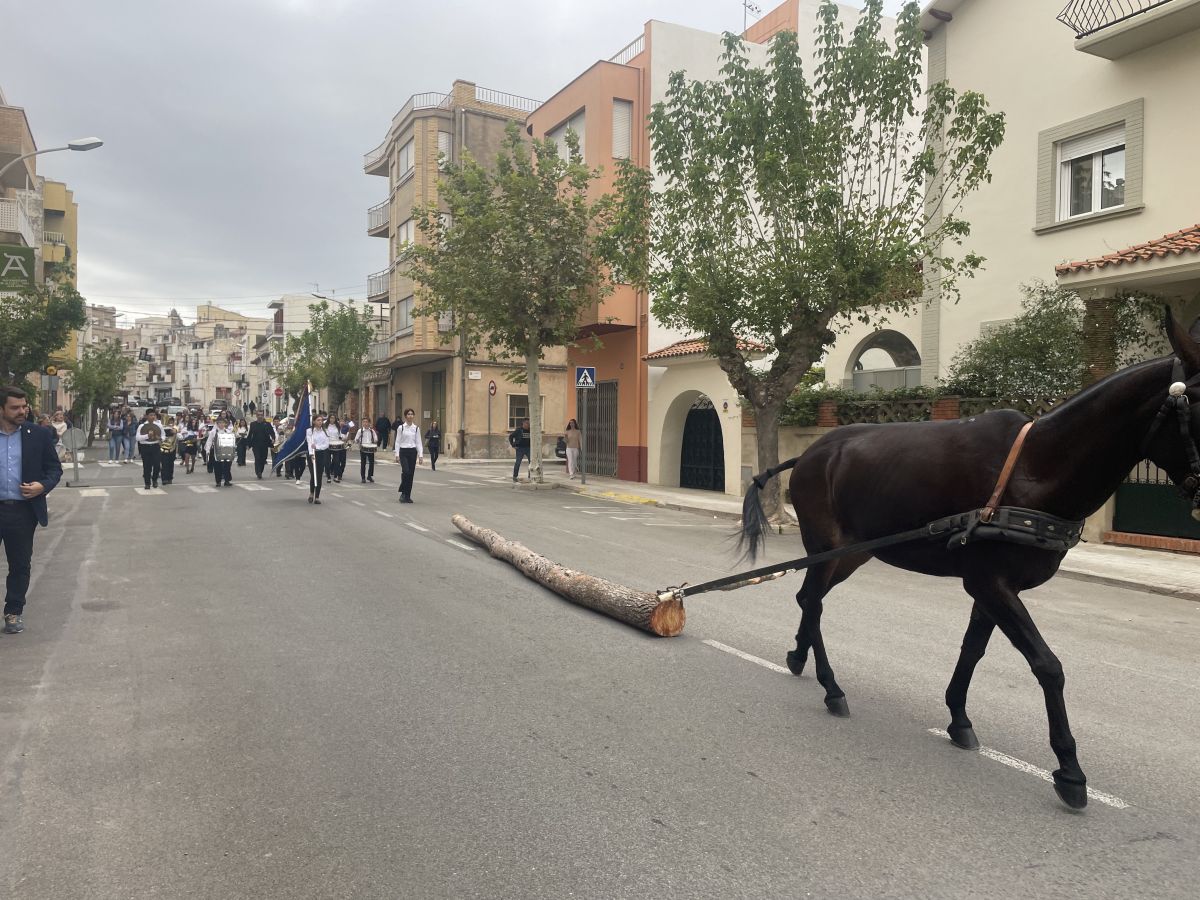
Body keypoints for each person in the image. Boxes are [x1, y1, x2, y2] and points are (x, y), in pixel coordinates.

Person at [0, 386, 63, 635]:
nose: (22, 411)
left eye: (24, 406)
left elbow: (54, 469)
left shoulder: (38, 434)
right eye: (15, 407)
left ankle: (13, 611)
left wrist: (42, 486)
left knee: (19, 565)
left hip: (22, 511)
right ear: (1, 409)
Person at [394, 408, 422, 503]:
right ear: (405, 416)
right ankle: (403, 492)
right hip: (403, 451)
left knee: (411, 474)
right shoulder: (401, 428)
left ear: (413, 416)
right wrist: (397, 454)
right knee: (406, 471)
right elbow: (397, 442)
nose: (410, 416)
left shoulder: (416, 428)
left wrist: (420, 455)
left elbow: (418, 442)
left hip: (412, 452)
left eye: (412, 414)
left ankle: (407, 495)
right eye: (408, 414)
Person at [305, 412, 331, 504]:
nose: (320, 422)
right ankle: (311, 493)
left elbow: (326, 444)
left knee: (319, 475)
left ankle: (317, 497)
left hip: (321, 454)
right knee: (313, 474)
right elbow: (309, 443)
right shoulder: (309, 431)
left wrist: (317, 446)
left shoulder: (325, 431)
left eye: (321, 420)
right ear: (314, 421)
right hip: (312, 454)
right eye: (318, 420)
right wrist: (311, 453)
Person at [136, 408, 165, 489]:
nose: (153, 417)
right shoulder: (141, 426)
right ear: (147, 416)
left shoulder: (159, 425)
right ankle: (147, 483)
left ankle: (154, 479)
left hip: (155, 446)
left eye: (154, 415)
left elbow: (163, 435)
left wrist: (160, 438)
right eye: (151, 415)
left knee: (157, 465)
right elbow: (137, 438)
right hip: (145, 447)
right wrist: (147, 436)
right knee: (147, 466)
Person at [206, 413, 237, 487]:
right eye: (219, 423)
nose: (221, 424)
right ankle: (218, 481)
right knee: (217, 467)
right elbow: (209, 441)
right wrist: (208, 450)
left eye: (222, 423)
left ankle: (227, 481)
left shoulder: (228, 431)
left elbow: (232, 441)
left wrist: (233, 451)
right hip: (216, 452)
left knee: (227, 467)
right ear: (217, 424)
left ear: (225, 424)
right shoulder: (213, 432)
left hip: (227, 452)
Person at [246, 410, 276, 480]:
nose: (260, 416)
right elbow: (250, 435)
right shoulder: (253, 424)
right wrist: (248, 444)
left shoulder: (267, 424)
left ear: (263, 416)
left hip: (264, 445)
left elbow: (272, 433)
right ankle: (258, 472)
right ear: (256, 416)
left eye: (261, 415)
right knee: (257, 458)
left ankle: (260, 471)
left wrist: (273, 438)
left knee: (263, 459)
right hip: (255, 445)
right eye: (258, 415)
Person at [355, 419, 378, 483]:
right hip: (363, 448)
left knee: (371, 463)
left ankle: (369, 476)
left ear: (369, 423)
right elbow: (356, 439)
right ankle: (363, 477)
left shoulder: (372, 431)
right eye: (364, 422)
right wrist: (357, 440)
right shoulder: (360, 431)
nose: (365, 423)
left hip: (370, 448)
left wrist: (375, 440)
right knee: (363, 463)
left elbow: (376, 438)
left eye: (366, 422)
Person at [509, 417, 531, 483]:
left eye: (529, 423)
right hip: (520, 449)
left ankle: (530, 476)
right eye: (527, 423)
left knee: (531, 463)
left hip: (528, 448)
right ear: (523, 423)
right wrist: (513, 445)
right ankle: (515, 476)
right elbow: (511, 436)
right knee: (518, 462)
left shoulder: (531, 430)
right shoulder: (519, 430)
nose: (528, 424)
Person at [327, 415, 347, 483]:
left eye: (333, 418)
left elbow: (340, 435)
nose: (332, 419)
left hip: (336, 445)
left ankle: (335, 477)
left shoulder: (337, 426)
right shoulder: (325, 426)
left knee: (337, 461)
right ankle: (328, 477)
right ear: (329, 418)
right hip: (328, 445)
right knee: (328, 462)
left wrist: (343, 437)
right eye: (331, 418)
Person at [159, 417, 178, 485]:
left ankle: (170, 478)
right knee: (164, 464)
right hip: (163, 448)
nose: (170, 422)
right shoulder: (162, 427)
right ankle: (164, 479)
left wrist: (171, 428)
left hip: (172, 448)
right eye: (169, 421)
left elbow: (174, 431)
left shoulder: (175, 427)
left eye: (171, 421)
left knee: (170, 464)